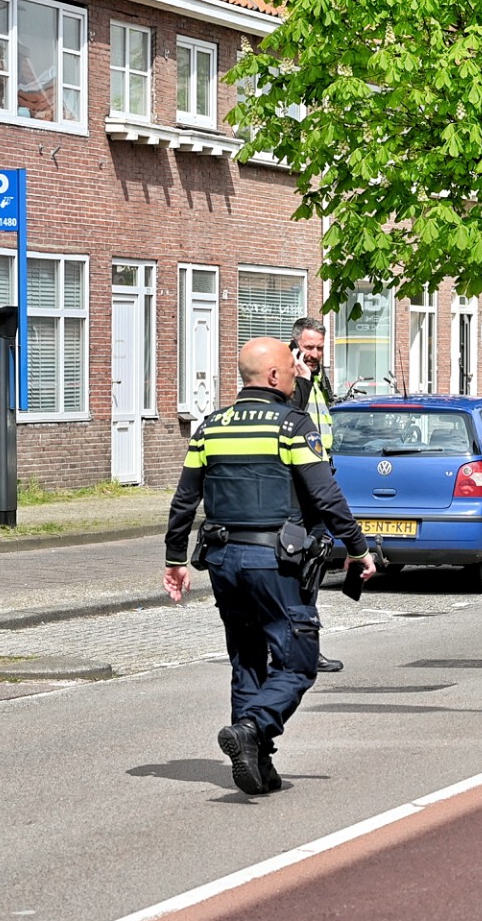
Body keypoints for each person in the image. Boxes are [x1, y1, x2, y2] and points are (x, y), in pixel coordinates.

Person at [162, 337, 377, 796]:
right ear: (275, 377)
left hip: (222, 561)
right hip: (275, 563)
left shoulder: (209, 428)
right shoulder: (292, 426)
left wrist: (175, 559)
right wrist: (358, 547)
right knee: (298, 662)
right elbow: (324, 495)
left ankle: (259, 767)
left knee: (246, 660)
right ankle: (255, 728)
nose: (300, 372)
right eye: (291, 368)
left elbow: (185, 500)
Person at [288, 316, 344, 674]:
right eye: (309, 347)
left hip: (318, 485)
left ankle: (308, 647)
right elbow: (291, 417)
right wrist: (304, 382)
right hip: (296, 490)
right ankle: (292, 648)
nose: (315, 354)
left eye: (320, 348)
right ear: (294, 346)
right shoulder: (290, 381)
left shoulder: (318, 380)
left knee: (314, 568)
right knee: (298, 569)